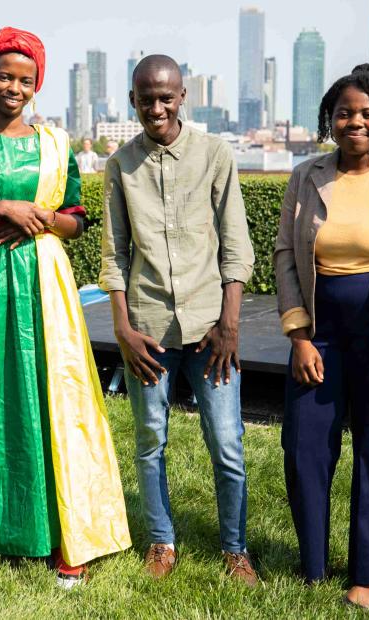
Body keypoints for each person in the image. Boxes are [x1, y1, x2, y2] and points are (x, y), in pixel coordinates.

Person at [0, 26, 131, 588]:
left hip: (49, 280)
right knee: (2, 398)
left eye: (25, 79)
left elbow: (75, 218)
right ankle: (21, 530)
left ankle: (73, 534)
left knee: (59, 395)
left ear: (37, 83)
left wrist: (44, 219)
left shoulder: (56, 144)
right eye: (4, 76)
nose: (13, 87)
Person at [100, 54, 257, 584]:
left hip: (212, 332)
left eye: (167, 97)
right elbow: (115, 256)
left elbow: (236, 246)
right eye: (147, 99)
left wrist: (229, 323)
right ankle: (161, 542)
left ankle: (236, 549)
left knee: (228, 444)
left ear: (183, 96)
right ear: (133, 101)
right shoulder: (120, 166)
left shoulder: (215, 154)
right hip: (147, 331)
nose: (157, 107)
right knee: (150, 441)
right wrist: (122, 329)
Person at [274, 62, 369, 610]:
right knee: (305, 448)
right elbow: (284, 255)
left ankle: (368, 573)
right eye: (345, 113)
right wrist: (299, 335)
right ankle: (314, 565)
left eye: (368, 113)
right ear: (331, 119)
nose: (356, 122)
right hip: (320, 332)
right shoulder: (307, 175)